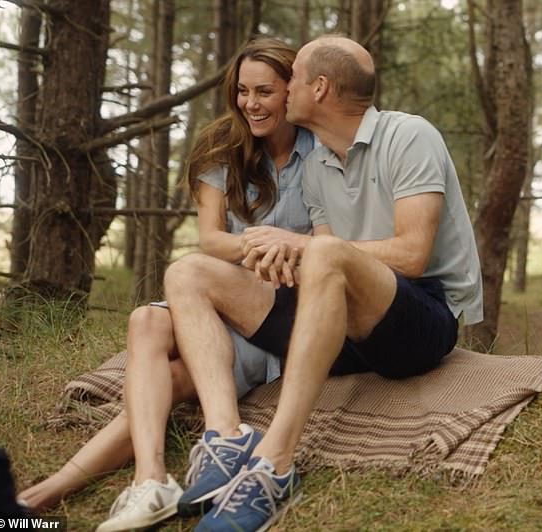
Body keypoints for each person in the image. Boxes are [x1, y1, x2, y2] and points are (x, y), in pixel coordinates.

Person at [164, 35, 483, 532]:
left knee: (326, 251)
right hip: (340, 326)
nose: (283, 88)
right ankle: (225, 436)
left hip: (418, 319)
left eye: (291, 80)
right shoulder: (316, 166)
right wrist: (279, 255)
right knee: (188, 270)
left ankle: (275, 464)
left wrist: (305, 247)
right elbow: (319, 267)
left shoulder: (410, 136)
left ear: (320, 87)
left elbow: (411, 255)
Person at [18, 36, 315, 532]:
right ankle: (151, 478)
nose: (251, 103)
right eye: (243, 91)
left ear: (292, 89)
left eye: (264, 91)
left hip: (275, 309)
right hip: (215, 292)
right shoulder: (223, 145)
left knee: (173, 383)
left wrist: (290, 249)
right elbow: (212, 241)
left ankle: (51, 491)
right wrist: (268, 246)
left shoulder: (319, 149)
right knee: (147, 319)